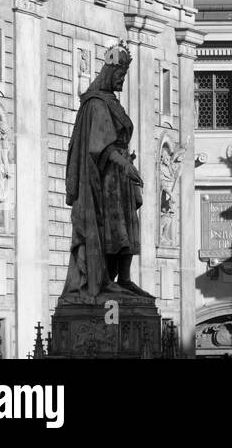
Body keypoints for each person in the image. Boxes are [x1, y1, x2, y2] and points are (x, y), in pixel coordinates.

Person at [62, 43, 150, 301]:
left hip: (121, 178)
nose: (122, 79)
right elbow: (99, 144)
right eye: (120, 75)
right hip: (106, 179)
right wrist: (126, 165)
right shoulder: (97, 103)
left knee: (127, 225)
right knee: (113, 227)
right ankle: (105, 280)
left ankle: (124, 279)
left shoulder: (111, 101)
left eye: (124, 75)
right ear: (110, 73)